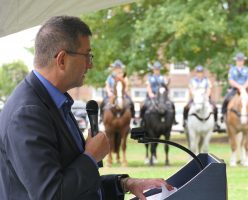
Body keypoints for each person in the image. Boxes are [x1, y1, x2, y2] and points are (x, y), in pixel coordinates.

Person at [0, 16, 172, 200]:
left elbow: (72, 183)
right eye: (87, 56)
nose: (90, 65)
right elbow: (51, 195)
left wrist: (125, 184)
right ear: (62, 60)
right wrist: (91, 156)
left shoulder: (56, 102)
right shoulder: (27, 113)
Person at [221, 52, 248, 122]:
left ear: (243, 61)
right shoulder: (232, 70)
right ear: (236, 61)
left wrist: (244, 87)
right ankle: (223, 115)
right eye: (238, 60)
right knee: (226, 99)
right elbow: (231, 80)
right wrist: (239, 87)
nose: (240, 62)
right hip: (235, 89)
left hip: (246, 89)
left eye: (241, 60)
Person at [99, 59, 136, 123]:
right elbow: (107, 85)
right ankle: (101, 117)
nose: (118, 69)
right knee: (103, 102)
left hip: (122, 94)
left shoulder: (124, 76)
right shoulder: (110, 76)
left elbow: (127, 85)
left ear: (121, 68)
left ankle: (133, 117)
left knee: (131, 102)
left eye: (119, 67)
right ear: (114, 68)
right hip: (112, 94)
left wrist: (124, 92)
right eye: (116, 67)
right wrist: (109, 92)